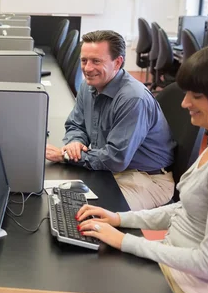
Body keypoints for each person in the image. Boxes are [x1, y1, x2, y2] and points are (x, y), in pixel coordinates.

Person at [76, 45, 208, 293]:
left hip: (194, 292)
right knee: (78, 279)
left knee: (81, 286)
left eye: (196, 96)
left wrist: (125, 241)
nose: (185, 103)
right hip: (174, 265)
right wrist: (119, 219)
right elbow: (185, 208)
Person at [46, 30, 176, 211]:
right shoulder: (88, 86)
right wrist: (75, 142)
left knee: (87, 213)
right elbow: (76, 124)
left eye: (96, 61)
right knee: (57, 199)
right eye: (84, 60)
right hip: (114, 171)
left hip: (146, 179)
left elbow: (116, 158)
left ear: (118, 62)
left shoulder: (132, 99)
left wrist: (66, 155)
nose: (88, 68)